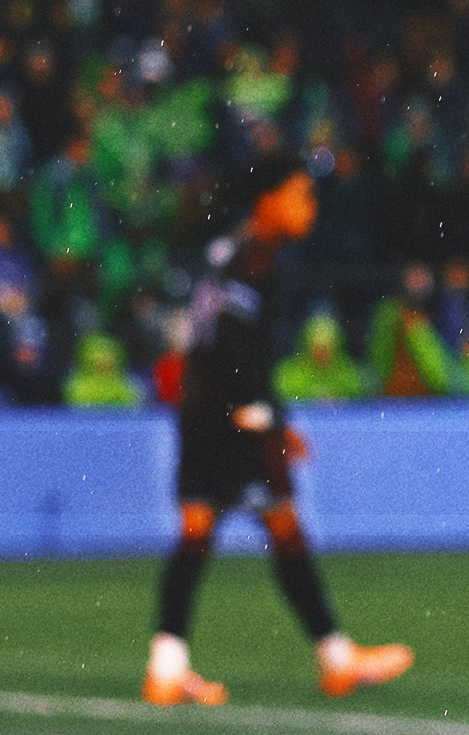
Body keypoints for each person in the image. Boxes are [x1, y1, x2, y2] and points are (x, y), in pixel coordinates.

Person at [143, 153, 413, 707]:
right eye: (300, 195)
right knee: (283, 527)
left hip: (201, 411)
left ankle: (166, 668)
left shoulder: (227, 250)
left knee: (200, 530)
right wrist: (262, 413)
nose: (309, 207)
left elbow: (210, 335)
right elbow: (237, 341)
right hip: (236, 414)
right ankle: (336, 659)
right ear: (268, 200)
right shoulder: (259, 260)